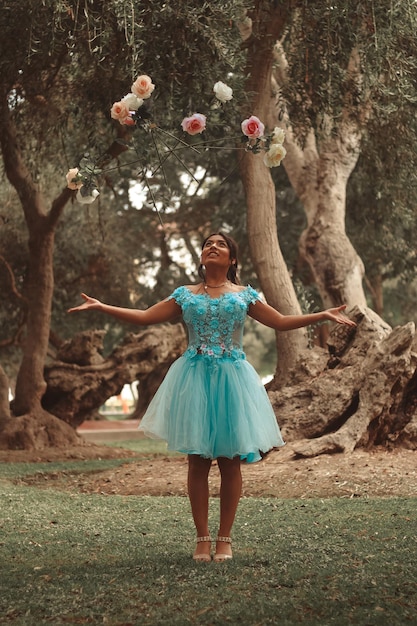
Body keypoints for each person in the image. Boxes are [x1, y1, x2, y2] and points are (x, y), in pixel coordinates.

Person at [69, 232, 355, 563]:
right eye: (207, 244)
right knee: (198, 460)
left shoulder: (245, 295)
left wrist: (321, 315)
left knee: (231, 460)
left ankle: (226, 539)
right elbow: (146, 316)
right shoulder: (185, 295)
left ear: (232, 259)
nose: (212, 247)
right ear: (202, 258)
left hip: (234, 380)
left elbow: (279, 321)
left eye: (220, 244)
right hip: (194, 379)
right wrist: (102, 306)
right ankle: (202, 538)